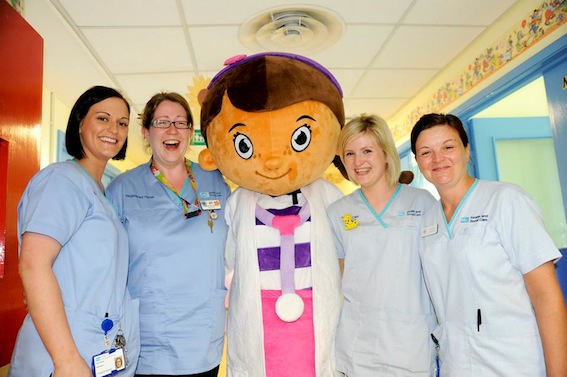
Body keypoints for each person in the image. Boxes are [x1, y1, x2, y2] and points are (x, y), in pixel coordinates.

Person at [198, 53, 344, 376]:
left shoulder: (329, 197)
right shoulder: (237, 204)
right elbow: (228, 259)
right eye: (246, 146)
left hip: (319, 320)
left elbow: (349, 253)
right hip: (257, 323)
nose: (273, 162)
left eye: (299, 138)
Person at [411, 113, 567, 376]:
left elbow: (546, 297)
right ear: (417, 162)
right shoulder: (428, 221)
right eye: (426, 152)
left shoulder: (506, 200)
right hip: (457, 363)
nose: (437, 159)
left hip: (515, 361)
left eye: (448, 147)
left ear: (466, 150)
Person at [8, 86, 140, 377]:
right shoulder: (62, 179)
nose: (113, 130)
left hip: (92, 345)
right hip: (62, 355)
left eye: (122, 123)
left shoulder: (99, 191)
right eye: (103, 118)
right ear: (80, 122)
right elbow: (33, 264)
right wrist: (66, 360)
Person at [106, 92, 230, 377]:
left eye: (180, 122)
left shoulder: (216, 180)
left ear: (190, 132)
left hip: (203, 337)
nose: (172, 130)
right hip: (151, 338)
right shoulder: (122, 189)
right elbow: (104, 262)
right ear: (146, 132)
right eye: (162, 122)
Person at [326, 114, 437, 376]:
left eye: (367, 151)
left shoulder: (422, 204)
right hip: (358, 345)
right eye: (350, 153)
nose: (358, 162)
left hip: (411, 343)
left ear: (386, 153)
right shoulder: (338, 212)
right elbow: (337, 278)